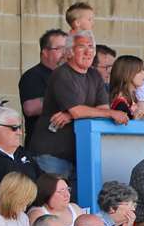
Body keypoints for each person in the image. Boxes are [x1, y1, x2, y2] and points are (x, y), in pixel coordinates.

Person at [28, 30, 126, 179]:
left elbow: (101, 110)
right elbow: (81, 111)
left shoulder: (94, 75)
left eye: (91, 47)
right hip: (52, 154)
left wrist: (71, 115)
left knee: (77, 201)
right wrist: (78, 113)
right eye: (81, 47)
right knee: (52, 199)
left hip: (79, 156)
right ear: (70, 52)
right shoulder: (62, 74)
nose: (88, 52)